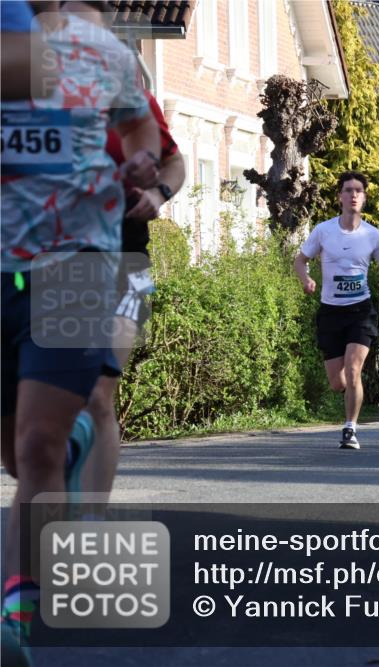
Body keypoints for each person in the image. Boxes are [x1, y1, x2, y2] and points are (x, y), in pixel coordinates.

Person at [1, 1, 160, 659]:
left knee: (36, 446)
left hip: (77, 266)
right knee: (20, 453)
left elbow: (145, 130)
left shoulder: (106, 54)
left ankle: (16, 612)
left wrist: (144, 166)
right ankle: (76, 444)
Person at [81, 32, 187, 494]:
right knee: (57, 402)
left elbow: (175, 161)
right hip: (61, 261)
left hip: (128, 257)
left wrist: (157, 192)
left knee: (99, 393)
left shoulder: (132, 102)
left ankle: (89, 520)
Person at [294, 172, 379, 449]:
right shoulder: (323, 231)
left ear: (364, 198)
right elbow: (300, 261)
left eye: (358, 191)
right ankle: (348, 403)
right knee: (337, 382)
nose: (353, 195)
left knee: (353, 370)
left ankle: (350, 428)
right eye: (348, 190)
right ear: (339, 196)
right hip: (330, 312)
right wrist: (307, 280)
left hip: (360, 311)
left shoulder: (373, 235)